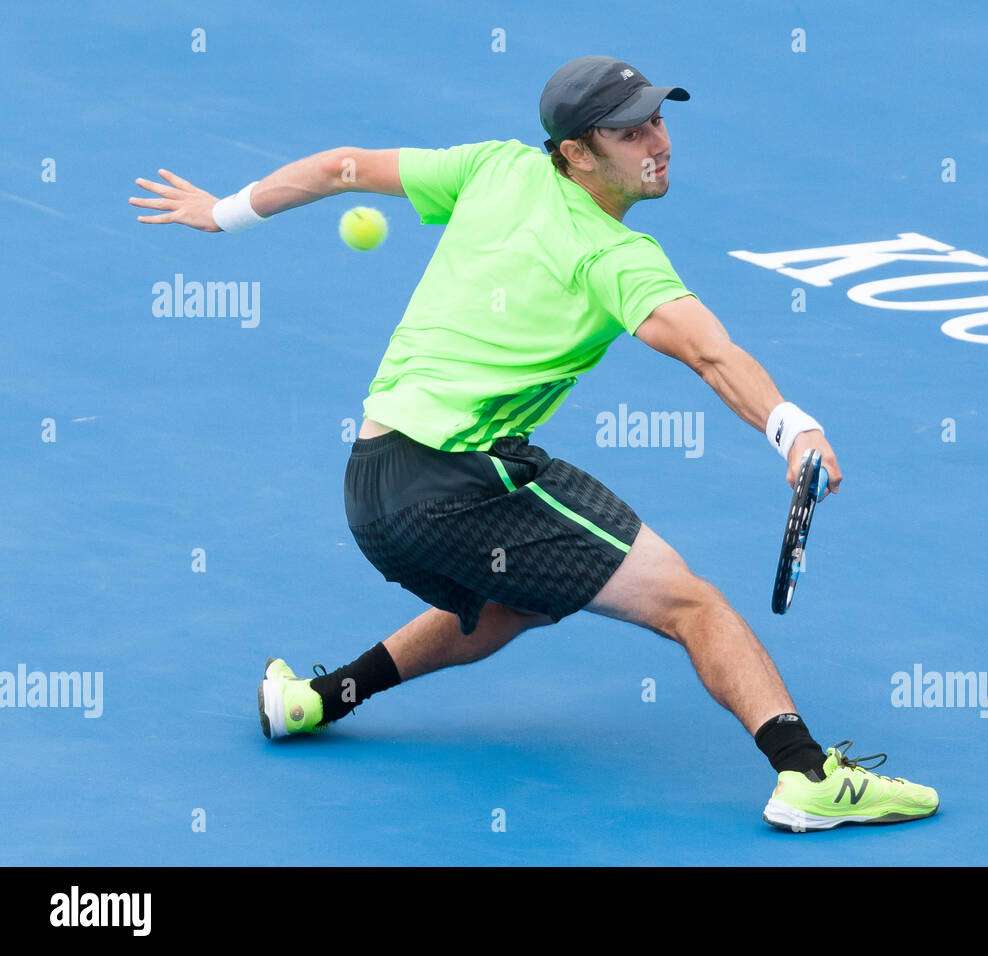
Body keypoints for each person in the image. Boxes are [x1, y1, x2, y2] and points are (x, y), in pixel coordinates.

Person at [130, 54, 939, 831]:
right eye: (629, 133)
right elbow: (709, 352)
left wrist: (224, 211)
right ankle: (807, 777)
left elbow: (344, 165)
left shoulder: (494, 166)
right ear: (577, 154)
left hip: (371, 483)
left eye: (658, 120)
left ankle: (320, 698)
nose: (657, 142)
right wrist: (789, 426)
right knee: (692, 604)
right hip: (459, 476)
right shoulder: (614, 255)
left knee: (520, 599)